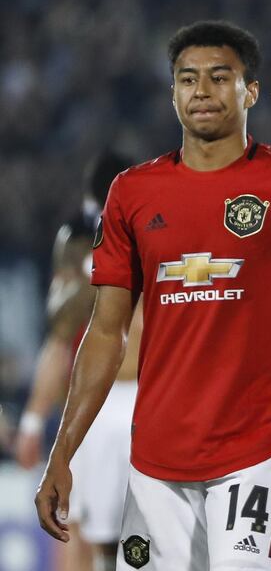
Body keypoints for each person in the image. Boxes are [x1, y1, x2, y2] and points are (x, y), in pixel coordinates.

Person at [34, 20, 271, 571]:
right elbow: (105, 330)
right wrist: (62, 450)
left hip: (254, 457)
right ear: (172, 92)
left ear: (250, 91)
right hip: (154, 463)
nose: (201, 90)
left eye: (220, 77)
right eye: (187, 78)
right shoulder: (133, 193)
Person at [15, 150, 138, 571]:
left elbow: (58, 328)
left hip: (115, 404)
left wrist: (33, 420)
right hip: (122, 402)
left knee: (86, 529)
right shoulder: (160, 234)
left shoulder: (85, 242)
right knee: (93, 525)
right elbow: (60, 331)